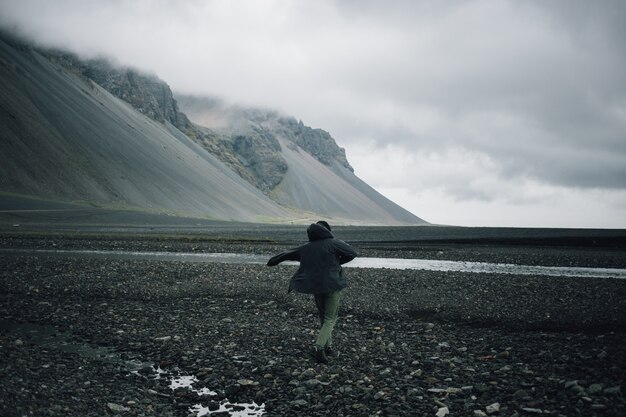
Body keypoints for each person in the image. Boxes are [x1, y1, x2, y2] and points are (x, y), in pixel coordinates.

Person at [266, 220, 357, 364]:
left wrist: (272, 261)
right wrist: (336, 263)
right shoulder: (333, 243)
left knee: (323, 316)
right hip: (333, 285)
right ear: (327, 231)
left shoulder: (306, 247)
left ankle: (328, 346)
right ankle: (319, 348)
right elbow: (352, 253)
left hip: (316, 286)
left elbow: (286, 254)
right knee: (330, 318)